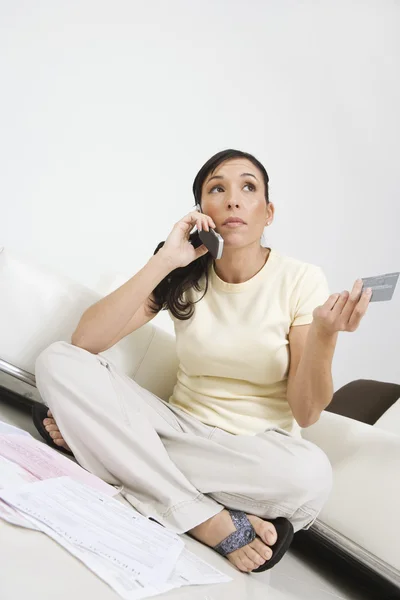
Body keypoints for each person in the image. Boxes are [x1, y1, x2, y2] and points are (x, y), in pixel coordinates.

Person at [33, 149, 371, 574]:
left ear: (268, 213)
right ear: (201, 211)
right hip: (174, 424)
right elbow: (86, 340)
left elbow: (306, 412)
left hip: (253, 453)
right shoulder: (185, 269)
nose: (233, 199)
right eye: (217, 188)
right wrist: (165, 260)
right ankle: (206, 520)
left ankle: (107, 447)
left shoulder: (301, 279)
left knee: (311, 477)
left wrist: (325, 335)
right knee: (57, 360)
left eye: (248, 188)